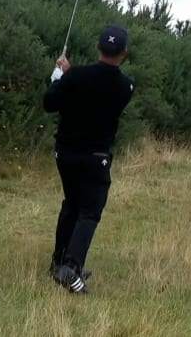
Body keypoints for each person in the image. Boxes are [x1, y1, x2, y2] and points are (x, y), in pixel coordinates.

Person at [42, 23, 134, 294]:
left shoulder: (75, 76)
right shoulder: (126, 86)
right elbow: (97, 91)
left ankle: (58, 263)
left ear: (98, 47)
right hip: (95, 157)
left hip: (66, 153)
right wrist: (69, 79)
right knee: (89, 212)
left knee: (71, 204)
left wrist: (60, 78)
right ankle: (70, 269)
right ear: (124, 52)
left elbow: (49, 103)